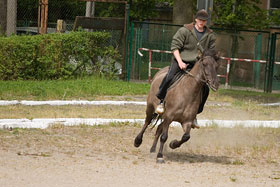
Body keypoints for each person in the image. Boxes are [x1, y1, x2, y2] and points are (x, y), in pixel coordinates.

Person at [155, 9, 216, 126]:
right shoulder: (184, 31)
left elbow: (211, 52)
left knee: (205, 89)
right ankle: (161, 102)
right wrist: (180, 62)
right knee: (169, 77)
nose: (202, 22)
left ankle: (194, 114)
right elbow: (175, 47)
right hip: (180, 61)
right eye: (200, 20)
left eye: (204, 20)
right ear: (196, 19)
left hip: (198, 64)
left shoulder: (210, 35)